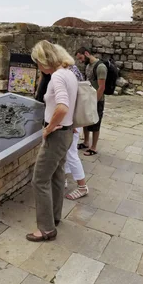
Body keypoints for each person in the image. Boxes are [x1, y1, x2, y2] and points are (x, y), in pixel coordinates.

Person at [27, 41, 77, 242]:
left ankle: (46, 229)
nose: (38, 67)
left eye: (38, 63)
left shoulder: (56, 76)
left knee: (39, 180)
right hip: (67, 133)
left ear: (44, 60)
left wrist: (48, 128)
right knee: (57, 175)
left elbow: (63, 107)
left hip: (56, 135)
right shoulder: (69, 73)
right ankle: (55, 217)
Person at [64, 63, 89, 200]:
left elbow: (72, 100)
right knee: (67, 152)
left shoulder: (68, 74)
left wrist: (72, 123)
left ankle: (82, 186)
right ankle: (64, 178)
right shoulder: (71, 70)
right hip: (72, 120)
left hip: (72, 120)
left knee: (71, 152)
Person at [75, 47, 106, 156]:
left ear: (87, 53)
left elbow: (101, 87)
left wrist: (94, 101)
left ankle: (94, 147)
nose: (81, 61)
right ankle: (86, 142)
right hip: (87, 98)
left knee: (96, 122)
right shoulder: (88, 66)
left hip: (97, 100)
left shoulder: (100, 67)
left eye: (81, 58)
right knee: (85, 120)